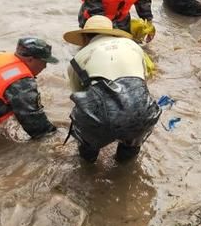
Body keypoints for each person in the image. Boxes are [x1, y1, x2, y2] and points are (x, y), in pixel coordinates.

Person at [63, 16, 161, 163]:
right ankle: (123, 170)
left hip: (100, 117)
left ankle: (87, 166)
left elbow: (79, 97)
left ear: (84, 37)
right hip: (143, 110)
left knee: (86, 155)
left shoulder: (77, 60)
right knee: (129, 152)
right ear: (113, 33)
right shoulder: (132, 45)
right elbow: (142, 80)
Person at [0, 38, 57, 138]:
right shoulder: (21, 82)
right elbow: (38, 127)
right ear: (30, 59)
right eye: (44, 62)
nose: (45, 67)